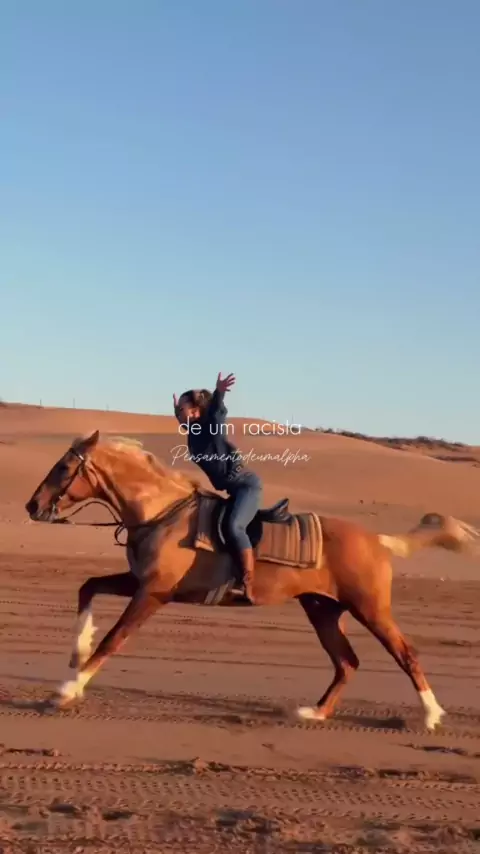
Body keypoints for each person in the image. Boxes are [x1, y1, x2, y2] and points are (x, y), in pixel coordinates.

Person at [173, 373, 262, 604]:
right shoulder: (194, 432)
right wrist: (178, 413)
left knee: (234, 526)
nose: (178, 413)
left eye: (181, 408)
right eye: (178, 409)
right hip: (231, 489)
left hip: (245, 485)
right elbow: (186, 422)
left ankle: (247, 584)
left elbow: (216, 414)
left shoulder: (211, 427)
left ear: (196, 411)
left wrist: (219, 393)